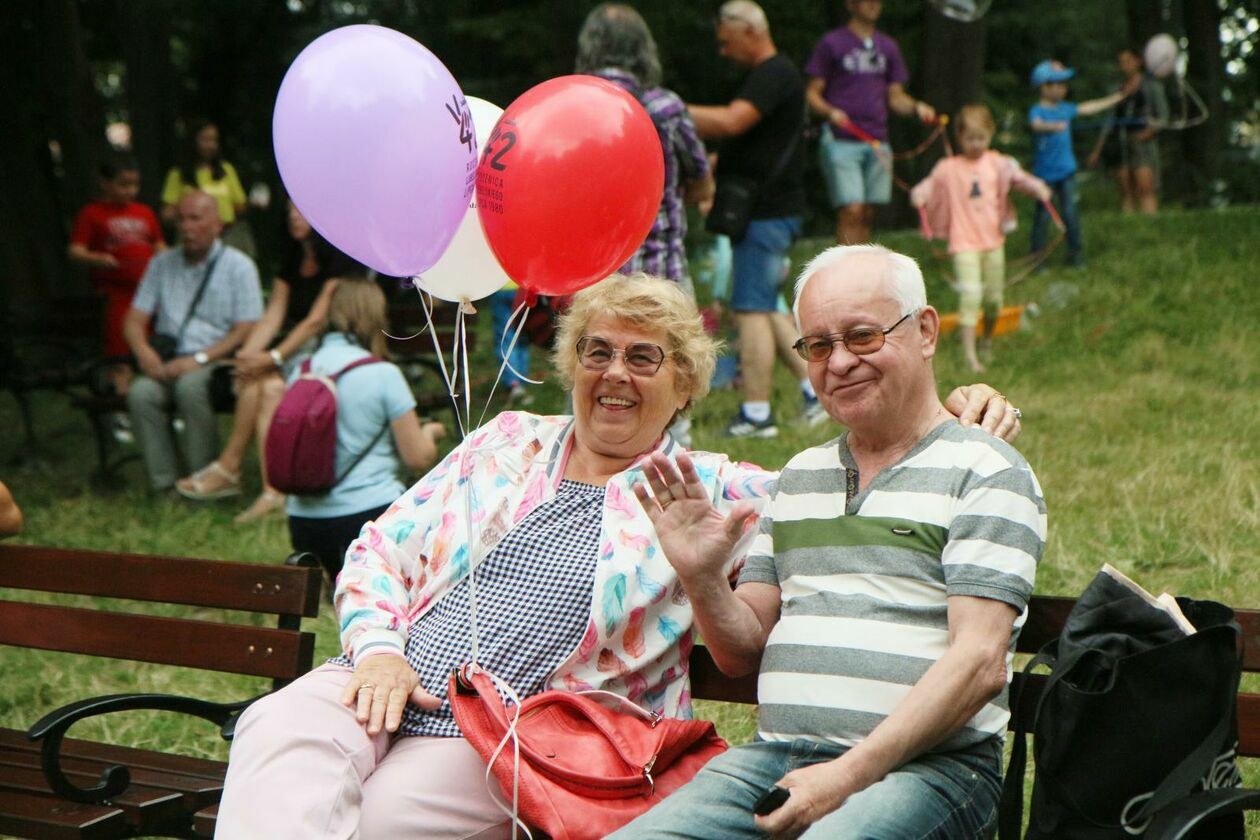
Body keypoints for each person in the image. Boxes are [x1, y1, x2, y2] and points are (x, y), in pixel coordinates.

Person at [214, 272, 1017, 839]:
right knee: (278, 726)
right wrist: (381, 653)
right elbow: (376, 552)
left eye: (644, 358)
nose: (615, 375)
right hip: (393, 677)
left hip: (520, 730)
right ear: (571, 365)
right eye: (597, 352)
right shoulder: (505, 443)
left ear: (685, 386)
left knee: (383, 821)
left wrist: (955, 412)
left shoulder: (710, 487)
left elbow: (855, 469)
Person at [612, 244, 1045, 839]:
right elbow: (741, 652)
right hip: (775, 759)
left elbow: (980, 665)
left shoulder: (988, 471)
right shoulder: (799, 476)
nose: (838, 362)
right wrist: (703, 577)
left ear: (924, 331)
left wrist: (840, 779)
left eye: (862, 337)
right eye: (818, 345)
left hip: (930, 772)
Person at [174, 202, 363, 523]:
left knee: (269, 382)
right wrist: (247, 357)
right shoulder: (292, 259)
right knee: (265, 383)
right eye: (289, 210)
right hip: (299, 351)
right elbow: (272, 315)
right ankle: (268, 488)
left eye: (302, 210)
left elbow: (315, 321)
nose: (293, 216)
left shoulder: (339, 259)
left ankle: (240, 473)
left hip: (330, 351)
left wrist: (272, 356)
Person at [687, 1, 820, 438]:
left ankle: (757, 414)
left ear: (749, 31)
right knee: (768, 306)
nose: (723, 51)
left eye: (726, 42)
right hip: (773, 214)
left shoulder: (773, 74)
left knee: (751, 311)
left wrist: (666, 109)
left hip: (766, 215)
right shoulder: (774, 75)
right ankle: (815, 394)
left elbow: (732, 121)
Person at [283, 280, 446, 587]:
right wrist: (431, 431)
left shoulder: (301, 369)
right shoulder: (383, 374)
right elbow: (418, 457)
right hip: (368, 520)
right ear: (376, 316)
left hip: (303, 523)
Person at [123, 191, 263, 492]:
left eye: (195, 219)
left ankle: (203, 479)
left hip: (215, 361)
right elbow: (134, 319)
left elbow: (246, 328)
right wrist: (144, 352)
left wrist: (198, 360)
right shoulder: (161, 264)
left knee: (190, 387)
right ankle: (164, 485)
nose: (186, 227)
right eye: (182, 219)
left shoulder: (238, 266)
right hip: (168, 359)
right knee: (141, 393)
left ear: (217, 224)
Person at [576, 3, 714, 291]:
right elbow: (703, 187)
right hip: (662, 280)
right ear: (644, 50)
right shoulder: (665, 107)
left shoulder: (569, 108)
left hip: (592, 284)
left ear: (588, 48)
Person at [911, 103, 1051, 372]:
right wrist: (920, 195)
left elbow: (1021, 179)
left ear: (991, 134)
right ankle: (969, 355)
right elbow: (929, 186)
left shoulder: (998, 164)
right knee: (970, 296)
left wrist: (1040, 189)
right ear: (958, 137)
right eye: (969, 138)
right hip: (963, 243)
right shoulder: (948, 167)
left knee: (994, 300)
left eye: (981, 138)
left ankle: (986, 339)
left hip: (993, 242)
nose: (975, 144)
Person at [805, 0, 937, 245]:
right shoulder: (832, 43)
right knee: (852, 209)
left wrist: (917, 107)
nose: (874, 4)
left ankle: (859, 268)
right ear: (850, 4)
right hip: (841, 139)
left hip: (877, 140)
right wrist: (830, 111)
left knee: (867, 212)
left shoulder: (888, 47)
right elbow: (812, 93)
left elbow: (895, 98)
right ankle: (843, 271)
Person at [68, 154, 165, 416]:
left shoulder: (143, 212)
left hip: (148, 293)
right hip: (116, 294)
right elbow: (76, 250)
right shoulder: (93, 213)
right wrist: (97, 259)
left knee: (154, 349)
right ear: (105, 183)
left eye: (134, 185)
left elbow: (158, 245)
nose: (130, 191)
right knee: (120, 353)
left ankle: (159, 405)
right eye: (123, 184)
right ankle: (119, 409)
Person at [1028, 60, 1132, 268]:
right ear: (1043, 87)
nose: (1062, 89)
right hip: (1044, 176)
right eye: (1057, 84)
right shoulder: (1037, 111)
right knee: (1043, 219)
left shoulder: (1066, 109)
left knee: (1070, 215)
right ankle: (1037, 260)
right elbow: (1035, 125)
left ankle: (1076, 256)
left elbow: (1089, 107)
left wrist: (1115, 98)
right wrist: (1051, 126)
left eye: (1064, 84)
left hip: (1066, 173)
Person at [1092, 46, 1169, 215]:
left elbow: (1163, 116)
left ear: (1138, 61)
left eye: (1127, 61)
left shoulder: (1151, 86)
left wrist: (1149, 132)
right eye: (1121, 62)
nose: (1124, 65)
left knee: (1145, 186)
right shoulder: (1117, 89)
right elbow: (1110, 120)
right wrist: (1099, 148)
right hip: (1120, 141)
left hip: (1142, 143)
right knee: (1125, 187)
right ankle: (1129, 221)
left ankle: (1150, 220)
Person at [160, 120, 252, 256]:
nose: (211, 145)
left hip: (227, 236)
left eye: (214, 140)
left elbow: (240, 205)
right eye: (205, 140)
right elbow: (167, 213)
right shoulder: (178, 174)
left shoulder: (226, 170)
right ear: (193, 142)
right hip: (194, 239)